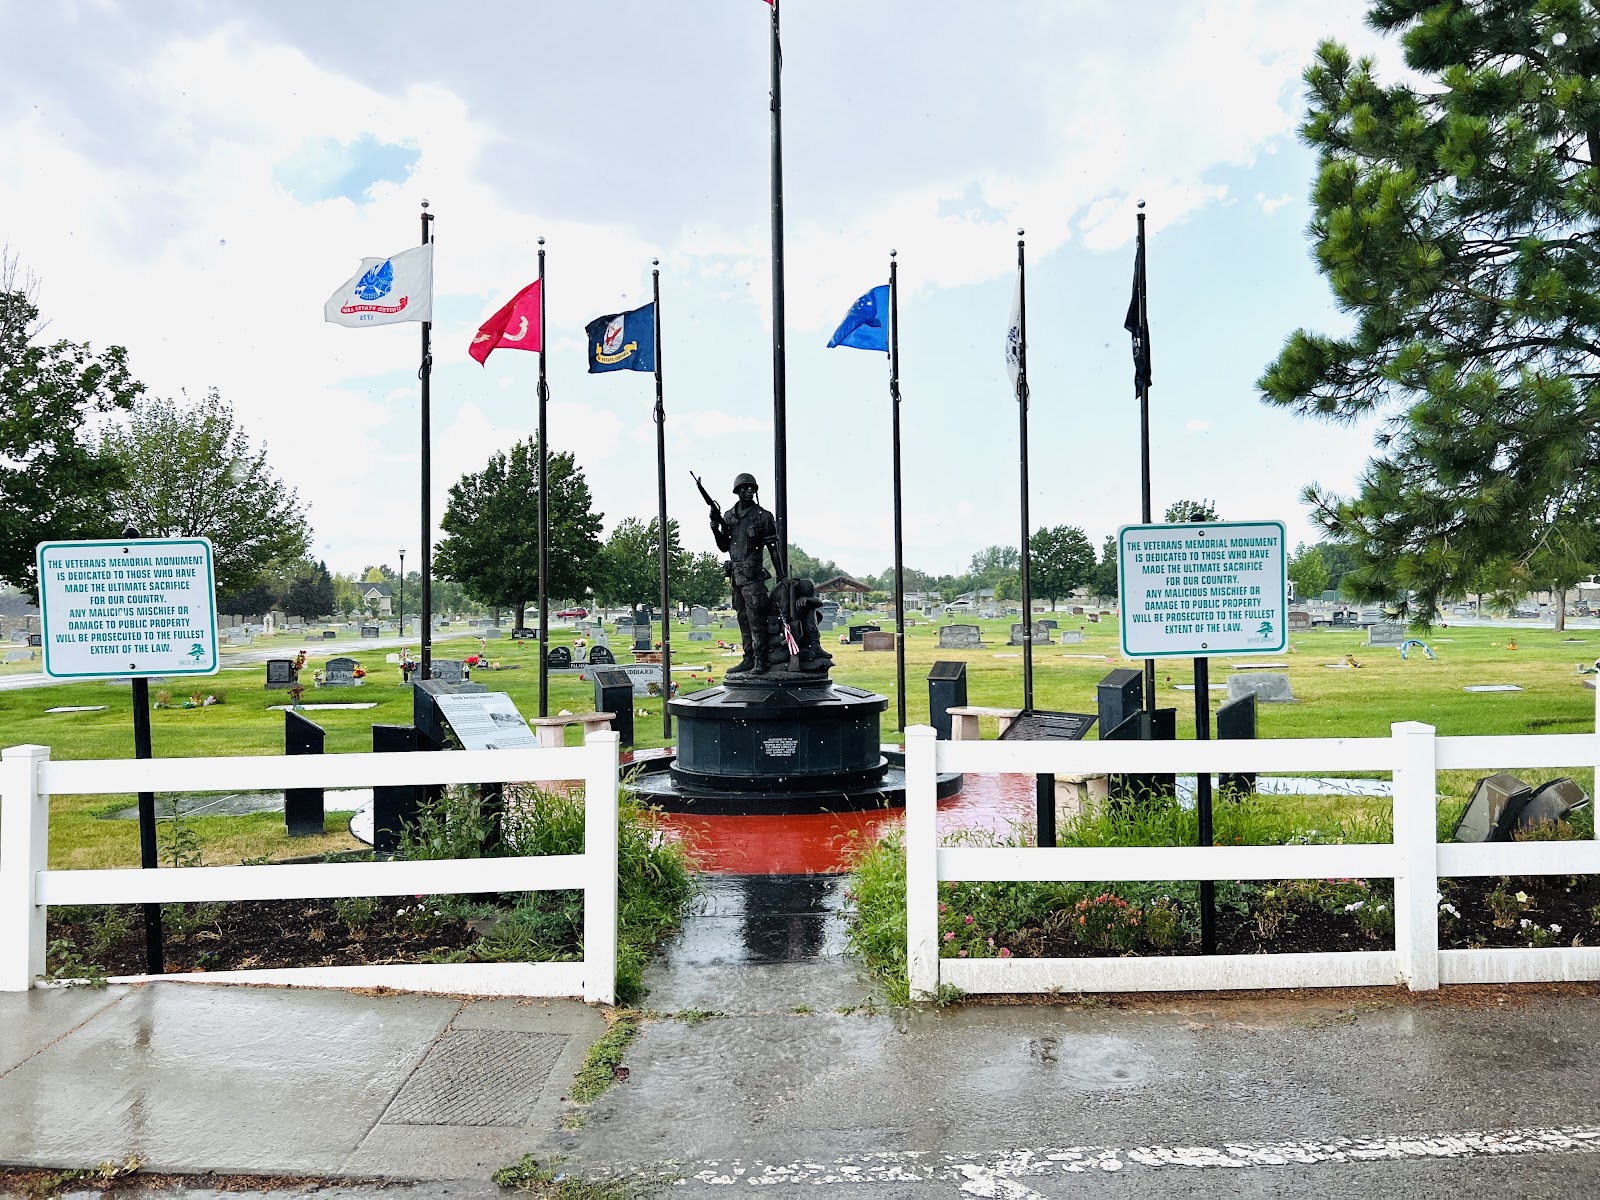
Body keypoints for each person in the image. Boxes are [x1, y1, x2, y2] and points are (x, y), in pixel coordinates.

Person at [708, 472, 780, 674]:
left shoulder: (763, 517)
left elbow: (773, 549)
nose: (749, 491)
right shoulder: (729, 516)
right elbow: (724, 546)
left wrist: (781, 575)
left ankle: (761, 661)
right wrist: (715, 528)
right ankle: (748, 658)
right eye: (745, 488)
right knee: (743, 619)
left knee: (757, 620)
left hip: (754, 577)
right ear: (737, 491)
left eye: (752, 488)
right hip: (735, 578)